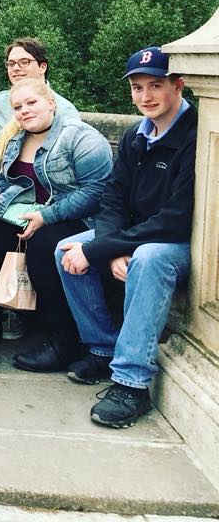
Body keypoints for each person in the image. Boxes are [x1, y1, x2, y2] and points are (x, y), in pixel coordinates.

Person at [56, 46, 196, 429]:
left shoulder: (196, 137)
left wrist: (107, 247)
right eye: (137, 88)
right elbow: (113, 199)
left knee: (149, 258)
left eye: (156, 86)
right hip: (135, 236)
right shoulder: (136, 134)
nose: (145, 97)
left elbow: (176, 219)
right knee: (64, 249)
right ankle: (102, 347)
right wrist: (109, 249)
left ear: (179, 85)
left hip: (178, 243)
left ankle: (132, 383)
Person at [0, 79, 113, 370]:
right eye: (18, 107)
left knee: (44, 245)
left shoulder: (79, 138)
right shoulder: (15, 138)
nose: (24, 111)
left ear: (51, 103)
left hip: (79, 218)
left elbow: (97, 191)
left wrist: (46, 217)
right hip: (30, 212)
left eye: (32, 103)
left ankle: (64, 341)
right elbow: (7, 182)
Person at [0, 38, 80, 168]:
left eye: (24, 62)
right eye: (11, 64)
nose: (16, 68)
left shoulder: (64, 110)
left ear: (42, 67)